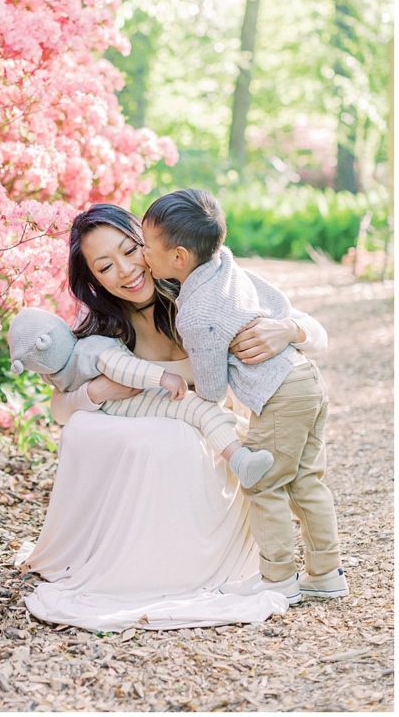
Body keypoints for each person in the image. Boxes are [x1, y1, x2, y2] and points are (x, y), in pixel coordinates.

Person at [19, 203, 328, 631]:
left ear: (153, 244)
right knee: (100, 428)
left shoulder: (203, 285)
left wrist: (290, 331)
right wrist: (98, 390)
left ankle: (311, 570)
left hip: (216, 436)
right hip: (159, 446)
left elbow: (315, 331)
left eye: (131, 250)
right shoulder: (104, 330)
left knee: (211, 450)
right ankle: (140, 561)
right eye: (106, 266)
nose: (126, 271)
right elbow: (59, 407)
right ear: (93, 279)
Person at [142, 188, 348, 604]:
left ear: (178, 258)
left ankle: (278, 579)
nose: (142, 254)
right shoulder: (225, 263)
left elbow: (213, 387)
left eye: (146, 246)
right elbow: (277, 303)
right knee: (306, 480)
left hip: (277, 394)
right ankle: (326, 572)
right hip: (304, 378)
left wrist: (205, 406)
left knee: (264, 482)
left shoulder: (196, 311)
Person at [7, 306, 274, 488]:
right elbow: (124, 367)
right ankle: (240, 460)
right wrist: (162, 377)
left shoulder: (55, 375)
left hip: (121, 411)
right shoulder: (90, 350)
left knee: (200, 415)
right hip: (144, 397)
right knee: (201, 411)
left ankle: (240, 456)